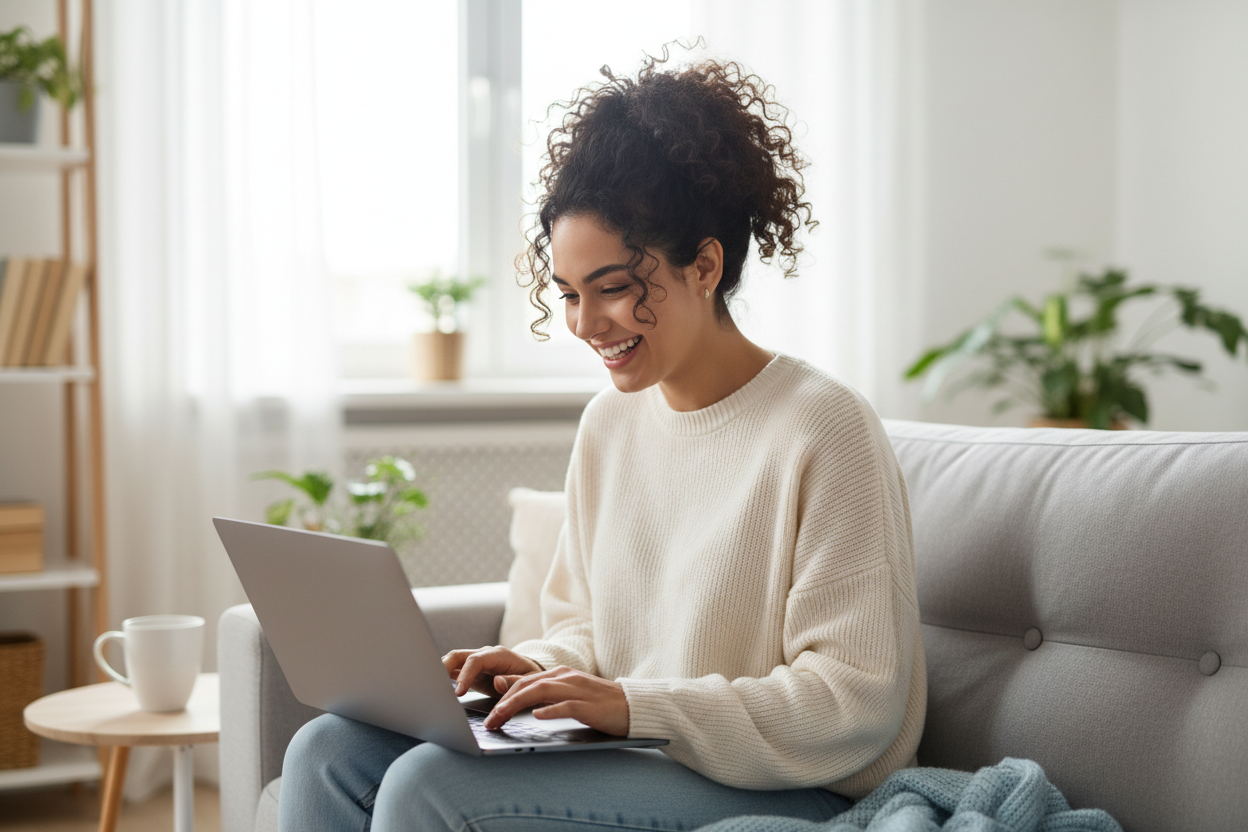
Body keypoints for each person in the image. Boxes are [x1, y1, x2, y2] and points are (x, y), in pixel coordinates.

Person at [279, 54, 925, 832]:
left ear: (705, 265)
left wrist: (633, 706)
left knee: (427, 787)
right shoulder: (609, 425)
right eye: (569, 295)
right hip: (644, 753)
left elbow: (852, 701)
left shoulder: (825, 429)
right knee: (324, 751)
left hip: (789, 784)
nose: (586, 326)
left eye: (614, 287)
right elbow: (589, 629)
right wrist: (538, 669)